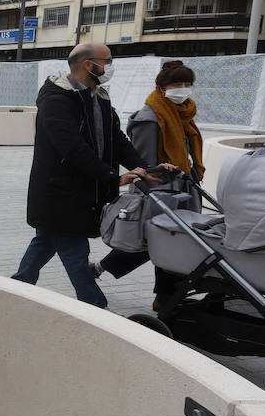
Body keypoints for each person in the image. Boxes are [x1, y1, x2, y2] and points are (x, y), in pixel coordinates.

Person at [12, 43, 156, 308]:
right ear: (89, 65)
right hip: (61, 193)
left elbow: (117, 139)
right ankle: (96, 307)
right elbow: (71, 147)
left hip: (82, 190)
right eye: (108, 60)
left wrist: (144, 167)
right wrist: (111, 177)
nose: (111, 66)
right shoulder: (57, 99)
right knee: (75, 253)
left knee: (45, 241)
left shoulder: (98, 96)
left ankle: (17, 286)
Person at [91, 60, 203, 309]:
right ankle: (164, 298)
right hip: (159, 192)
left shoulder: (184, 113)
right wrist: (154, 188)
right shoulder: (149, 118)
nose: (183, 89)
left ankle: (101, 269)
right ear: (161, 87)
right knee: (165, 242)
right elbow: (143, 163)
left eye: (187, 84)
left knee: (168, 243)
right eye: (176, 84)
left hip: (183, 189)